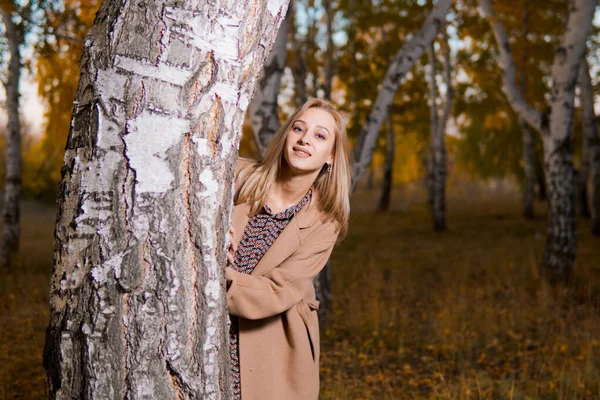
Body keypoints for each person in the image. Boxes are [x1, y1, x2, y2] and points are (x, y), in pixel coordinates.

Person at [225, 98, 352, 400]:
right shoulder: (239, 176)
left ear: (331, 156)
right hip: (205, 331)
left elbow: (278, 291)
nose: (305, 139)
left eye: (320, 136)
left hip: (269, 341)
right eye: (299, 128)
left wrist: (209, 279)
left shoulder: (325, 223)